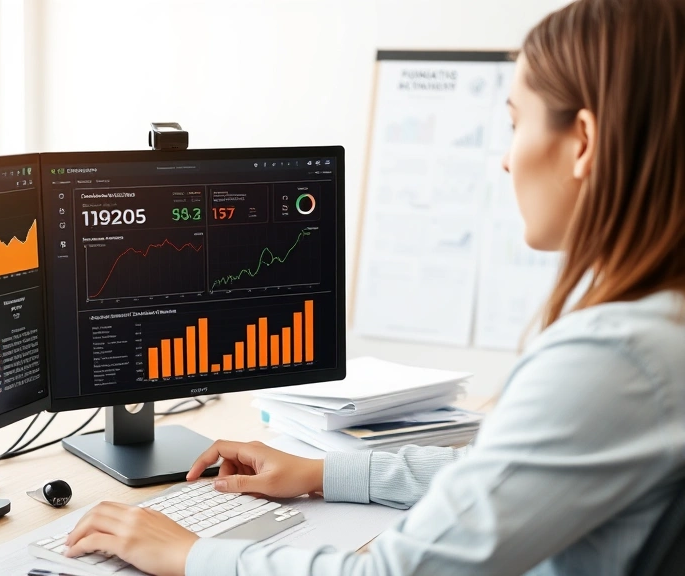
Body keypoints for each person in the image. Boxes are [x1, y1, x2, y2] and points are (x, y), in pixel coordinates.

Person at [63, 0, 685, 573]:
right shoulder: (658, 328)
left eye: (516, 123)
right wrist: (324, 472)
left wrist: (190, 554)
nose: (504, 159)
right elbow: (498, 476)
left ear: (582, 142)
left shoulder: (614, 360)